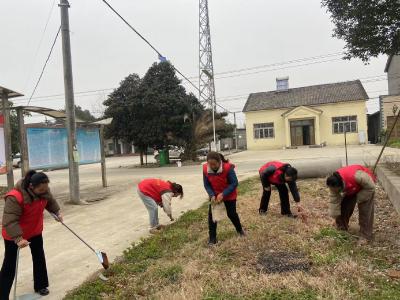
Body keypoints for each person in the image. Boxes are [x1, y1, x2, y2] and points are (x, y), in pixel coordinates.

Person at [0, 170, 62, 299]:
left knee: (39, 256)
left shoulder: (43, 190)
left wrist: (57, 212)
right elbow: (9, 220)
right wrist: (18, 238)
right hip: (14, 234)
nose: (44, 192)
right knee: (9, 265)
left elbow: (50, 201)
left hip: (34, 230)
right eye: (41, 190)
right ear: (31, 187)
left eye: (46, 189)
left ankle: (41, 285)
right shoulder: (15, 197)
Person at [203, 152, 245, 245]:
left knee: (232, 214)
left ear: (219, 162)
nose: (212, 166)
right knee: (212, 217)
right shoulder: (205, 169)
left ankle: (240, 230)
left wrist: (223, 194)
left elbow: (234, 183)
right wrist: (211, 194)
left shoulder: (227, 168)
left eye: (214, 164)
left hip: (229, 195)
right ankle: (212, 239)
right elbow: (206, 184)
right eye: (210, 164)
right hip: (215, 196)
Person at [326, 165, 376, 242]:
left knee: (365, 211)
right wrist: (335, 216)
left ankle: (365, 236)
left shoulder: (357, 176)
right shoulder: (333, 184)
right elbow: (334, 202)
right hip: (352, 187)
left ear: (339, 185)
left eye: (336, 190)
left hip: (367, 187)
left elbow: (371, 186)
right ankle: (341, 228)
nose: (334, 191)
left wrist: (358, 198)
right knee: (344, 206)